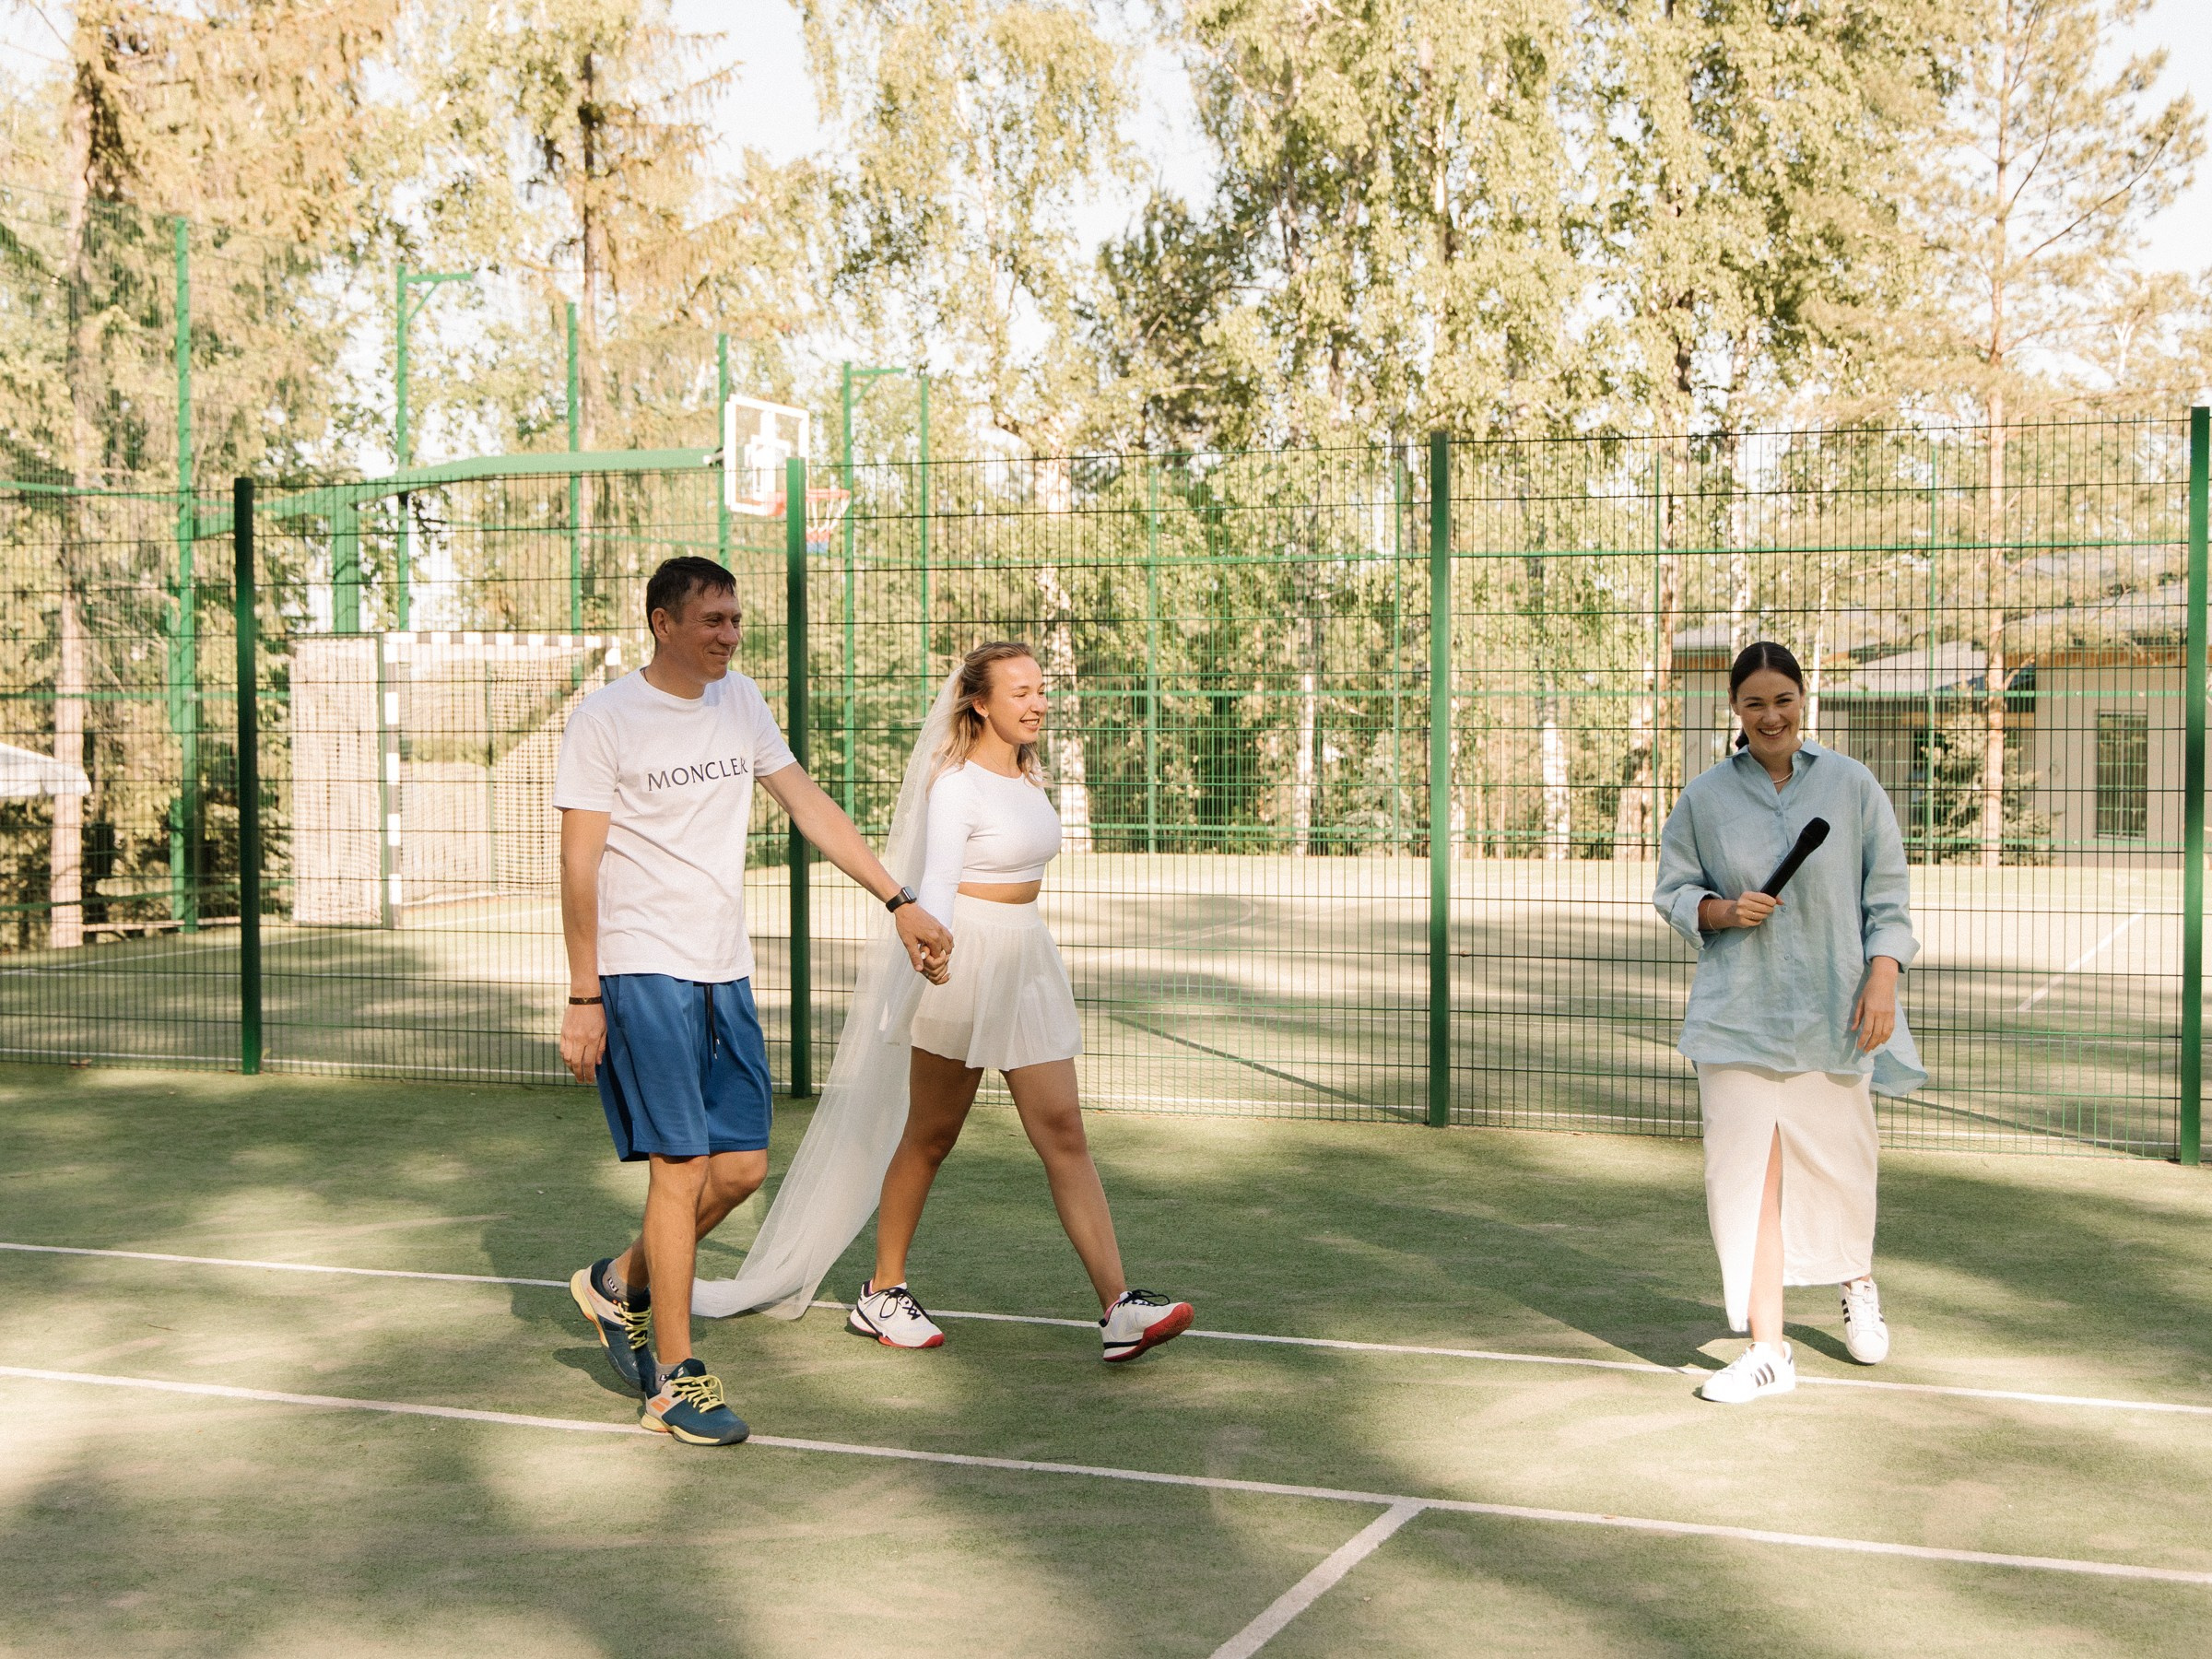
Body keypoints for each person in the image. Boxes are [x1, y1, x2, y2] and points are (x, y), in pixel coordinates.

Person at [554, 556, 951, 1446]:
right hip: (639, 966)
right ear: (663, 623)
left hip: (721, 967)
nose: (731, 635)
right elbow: (579, 862)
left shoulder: (743, 701)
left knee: (740, 1171)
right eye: (714, 622)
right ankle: (674, 1378)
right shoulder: (606, 718)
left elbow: (808, 805)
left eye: (736, 620)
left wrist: (899, 901)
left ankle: (618, 1285)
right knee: (680, 1169)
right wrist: (585, 994)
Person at [846, 641, 1193, 1361]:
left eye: (1041, 689)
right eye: (1021, 692)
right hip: (962, 957)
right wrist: (933, 946)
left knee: (1063, 1129)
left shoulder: (1030, 777)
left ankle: (1119, 1307)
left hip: (1027, 957)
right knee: (932, 1133)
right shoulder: (956, 785)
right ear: (978, 702)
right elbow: (939, 878)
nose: (1038, 702)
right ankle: (882, 1292)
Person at [1653, 640, 1924, 1406]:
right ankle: (1768, 1351)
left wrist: (1882, 978)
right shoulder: (1705, 797)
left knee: (1842, 1169)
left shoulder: (1851, 785)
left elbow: (1889, 899)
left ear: (1804, 699)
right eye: (1753, 703)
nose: (1770, 715)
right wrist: (1723, 910)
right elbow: (1674, 891)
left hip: (1836, 1012)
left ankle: (1855, 1278)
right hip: (1738, 1017)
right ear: (1734, 712)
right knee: (1748, 1184)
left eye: (1782, 699)